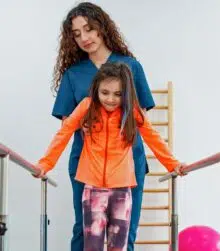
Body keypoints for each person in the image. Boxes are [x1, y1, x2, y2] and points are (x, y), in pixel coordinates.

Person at [36, 62, 184, 251]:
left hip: (122, 190)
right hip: (93, 190)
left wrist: (173, 165)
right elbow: (63, 134)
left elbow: (153, 138)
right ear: (96, 89)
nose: (111, 99)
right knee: (92, 246)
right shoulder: (87, 106)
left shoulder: (131, 112)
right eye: (105, 92)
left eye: (118, 94)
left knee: (118, 247)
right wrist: (45, 164)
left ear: (126, 93)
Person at [51, 2, 155, 250]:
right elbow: (67, 121)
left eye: (89, 29)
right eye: (76, 34)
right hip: (86, 163)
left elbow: (143, 114)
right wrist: (81, 124)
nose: (84, 38)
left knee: (125, 231)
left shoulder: (131, 66)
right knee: (83, 231)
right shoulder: (73, 74)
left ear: (102, 27)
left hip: (127, 162)